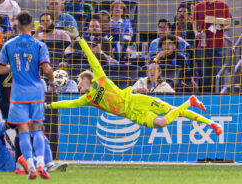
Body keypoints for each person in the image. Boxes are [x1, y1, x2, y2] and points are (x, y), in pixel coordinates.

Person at [45, 28, 223, 137]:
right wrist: (49, 106)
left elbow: (92, 59)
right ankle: (190, 102)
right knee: (162, 123)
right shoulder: (87, 99)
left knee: (173, 112)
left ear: (86, 79)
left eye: (78, 80)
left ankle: (211, 124)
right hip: (132, 114)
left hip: (137, 99)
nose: (77, 84)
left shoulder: (100, 78)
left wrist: (79, 40)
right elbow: (67, 103)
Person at [0, 10, 54, 179]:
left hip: (18, 94)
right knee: (37, 130)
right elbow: (47, 69)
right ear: (33, 25)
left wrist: (11, 68)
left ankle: (31, 168)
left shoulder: (9, 44)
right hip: (36, 92)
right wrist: (52, 79)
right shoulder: (39, 45)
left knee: (23, 132)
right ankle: (42, 164)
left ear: (18, 26)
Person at [0, 65, 67, 174]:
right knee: (36, 131)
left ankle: (21, 165)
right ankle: (47, 164)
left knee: (22, 132)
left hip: (6, 106)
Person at [194, 0, 231, 92]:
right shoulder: (198, 6)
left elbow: (228, 24)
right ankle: (203, 97)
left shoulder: (223, 5)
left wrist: (218, 27)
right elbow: (195, 25)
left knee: (217, 74)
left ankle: (216, 98)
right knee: (203, 75)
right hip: (203, 46)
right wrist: (196, 33)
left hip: (219, 46)